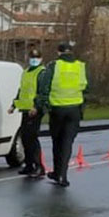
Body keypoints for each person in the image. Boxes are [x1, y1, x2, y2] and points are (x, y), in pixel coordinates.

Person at [35, 41, 87, 188]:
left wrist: (43, 105)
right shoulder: (80, 66)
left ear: (59, 52)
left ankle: (58, 172)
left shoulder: (54, 66)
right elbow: (86, 87)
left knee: (57, 141)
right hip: (75, 110)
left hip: (57, 109)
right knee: (67, 142)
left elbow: (44, 87)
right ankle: (62, 175)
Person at [9, 46, 46, 178]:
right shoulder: (26, 72)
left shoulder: (42, 72)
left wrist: (36, 106)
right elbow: (22, 90)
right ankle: (29, 164)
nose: (34, 60)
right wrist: (14, 104)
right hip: (25, 109)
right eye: (32, 58)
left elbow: (42, 92)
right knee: (25, 138)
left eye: (36, 58)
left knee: (32, 138)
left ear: (41, 59)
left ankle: (39, 166)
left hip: (35, 110)